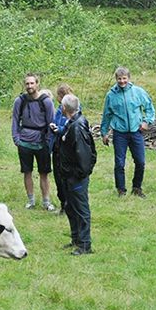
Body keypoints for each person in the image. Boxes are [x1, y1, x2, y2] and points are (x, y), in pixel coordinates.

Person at [50, 94, 97, 255]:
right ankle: (76, 238)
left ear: (64, 108)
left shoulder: (77, 127)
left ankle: (85, 244)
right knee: (70, 207)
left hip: (76, 176)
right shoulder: (72, 123)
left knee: (81, 209)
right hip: (68, 174)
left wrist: (78, 174)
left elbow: (83, 155)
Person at [100, 66, 154, 198]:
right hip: (119, 133)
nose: (122, 81)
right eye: (119, 79)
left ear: (129, 78)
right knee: (119, 163)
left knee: (140, 162)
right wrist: (104, 133)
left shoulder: (138, 92)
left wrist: (146, 121)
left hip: (136, 132)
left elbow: (150, 108)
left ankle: (137, 188)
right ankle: (121, 190)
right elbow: (106, 115)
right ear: (116, 79)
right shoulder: (111, 95)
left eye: (124, 78)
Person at [12, 72, 56, 211]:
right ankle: (31, 200)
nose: (29, 86)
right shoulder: (20, 101)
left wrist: (48, 141)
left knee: (44, 173)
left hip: (41, 142)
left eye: (32, 83)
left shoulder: (46, 101)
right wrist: (17, 139)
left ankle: (46, 201)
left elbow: (51, 122)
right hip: (24, 142)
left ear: (37, 84)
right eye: (27, 83)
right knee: (27, 172)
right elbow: (15, 120)